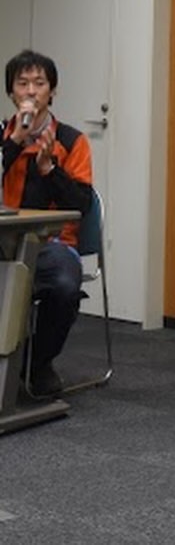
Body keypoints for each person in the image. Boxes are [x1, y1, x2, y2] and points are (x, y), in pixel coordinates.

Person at [1, 49, 93, 396]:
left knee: (65, 286)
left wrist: (50, 170)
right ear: (11, 93)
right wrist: (13, 144)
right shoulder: (3, 136)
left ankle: (36, 362)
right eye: (22, 83)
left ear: (52, 91)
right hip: (3, 241)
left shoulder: (71, 140)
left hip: (51, 244)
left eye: (39, 83)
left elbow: (81, 204)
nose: (30, 91)